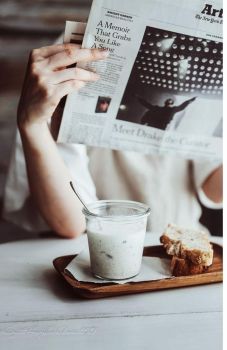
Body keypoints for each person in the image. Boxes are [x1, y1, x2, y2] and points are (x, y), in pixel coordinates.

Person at [2, 43, 223, 238]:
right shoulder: (68, 56)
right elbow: (70, 223)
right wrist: (33, 125)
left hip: (181, 241)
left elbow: (215, 189)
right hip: (94, 246)